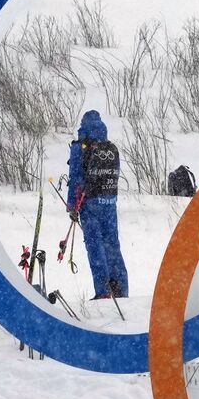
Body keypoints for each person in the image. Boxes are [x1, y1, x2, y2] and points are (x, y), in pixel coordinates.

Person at [67, 110, 129, 298]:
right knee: (112, 245)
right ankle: (120, 288)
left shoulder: (81, 147)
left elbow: (75, 178)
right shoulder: (110, 148)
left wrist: (72, 206)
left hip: (90, 204)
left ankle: (103, 291)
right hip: (109, 203)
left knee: (95, 247)